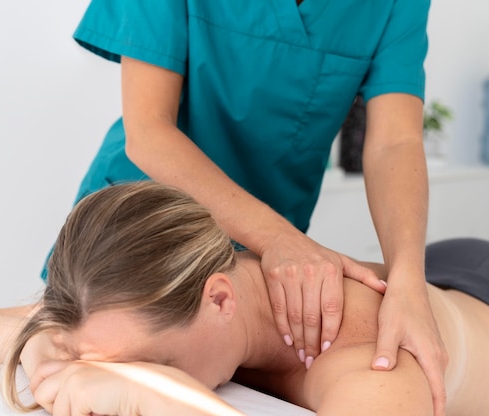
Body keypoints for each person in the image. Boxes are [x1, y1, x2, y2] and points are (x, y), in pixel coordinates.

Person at [49, 2, 448, 411]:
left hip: (261, 263)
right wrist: (277, 238)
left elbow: (395, 143)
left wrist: (409, 281)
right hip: (145, 244)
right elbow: (149, 130)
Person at [0, 182, 489, 416]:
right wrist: (38, 344)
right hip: (438, 270)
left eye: (154, 360)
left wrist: (159, 395)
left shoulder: (370, 366)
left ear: (219, 300)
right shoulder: (138, 297)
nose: (131, 368)